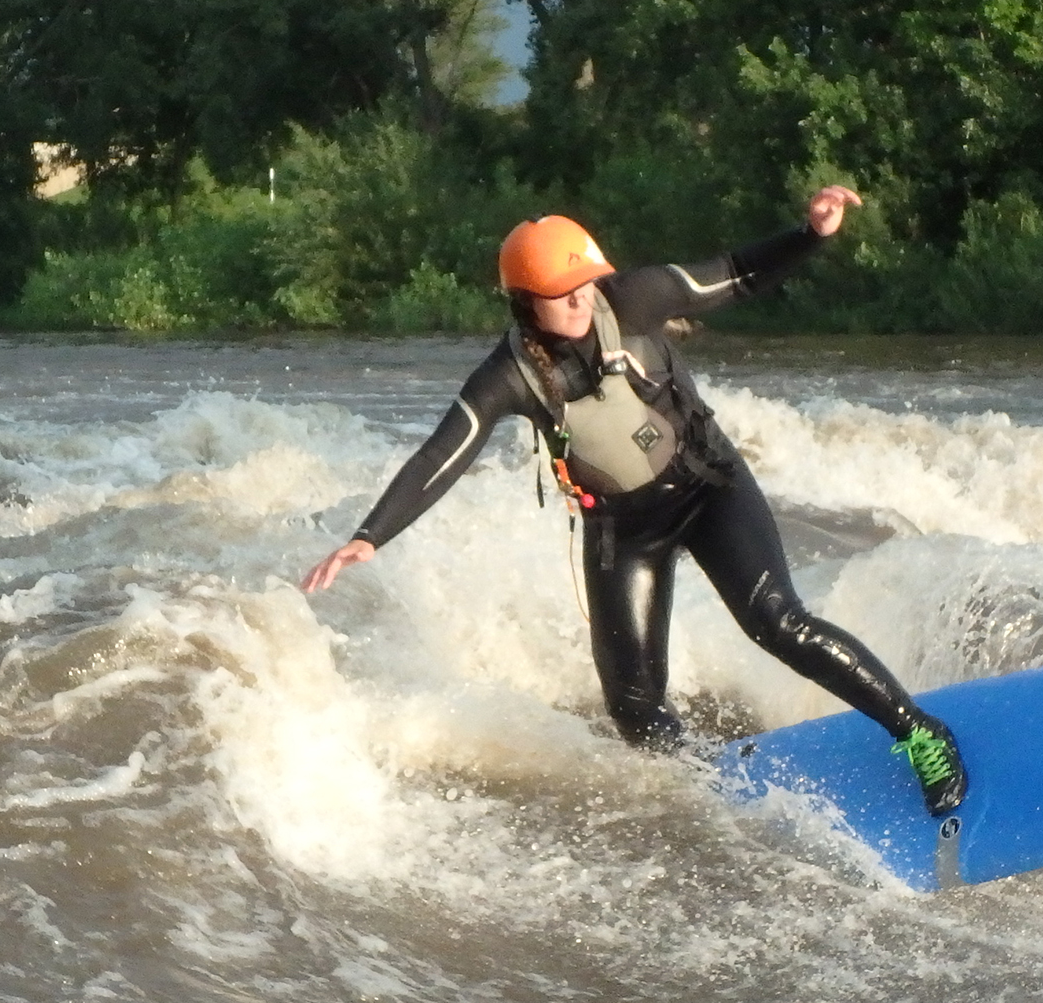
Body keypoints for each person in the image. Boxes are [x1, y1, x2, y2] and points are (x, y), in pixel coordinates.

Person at [299, 186, 968, 815]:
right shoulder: (511, 375)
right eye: (562, 294)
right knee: (635, 711)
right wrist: (371, 535)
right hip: (624, 529)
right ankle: (714, 799)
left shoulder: (636, 297)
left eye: (584, 283)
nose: (580, 300)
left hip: (708, 487)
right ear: (526, 301)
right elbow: (443, 453)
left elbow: (735, 274)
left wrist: (810, 234)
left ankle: (920, 734)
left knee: (777, 621)